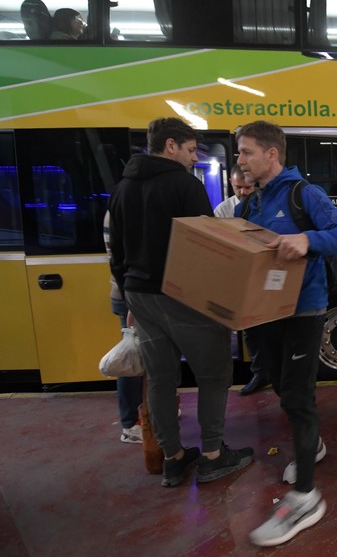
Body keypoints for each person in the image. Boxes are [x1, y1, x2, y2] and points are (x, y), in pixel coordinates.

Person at [108, 117, 254, 488]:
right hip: (181, 294)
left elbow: (117, 253)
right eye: (190, 150)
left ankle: (172, 459)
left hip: (139, 295)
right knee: (214, 372)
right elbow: (208, 248)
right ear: (170, 145)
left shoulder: (121, 188)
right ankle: (212, 456)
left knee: (160, 378)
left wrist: (130, 296)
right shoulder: (184, 185)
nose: (194, 158)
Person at [237, 121, 337, 547]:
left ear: (271, 154)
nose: (240, 160)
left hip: (304, 309)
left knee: (299, 397)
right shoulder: (250, 204)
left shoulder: (304, 194)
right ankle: (314, 446)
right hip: (266, 310)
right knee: (281, 387)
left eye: (246, 151)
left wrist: (307, 240)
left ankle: (306, 497)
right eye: (239, 152)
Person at [213, 165, 269, 395]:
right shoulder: (223, 210)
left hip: (263, 274)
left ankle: (272, 372)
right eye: (238, 188)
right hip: (239, 276)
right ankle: (260, 373)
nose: (243, 192)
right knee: (250, 330)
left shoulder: (264, 206)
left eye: (248, 188)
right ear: (230, 183)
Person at [103, 211, 143, 444]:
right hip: (130, 295)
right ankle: (130, 424)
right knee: (131, 360)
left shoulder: (118, 207)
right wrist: (132, 302)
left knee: (142, 357)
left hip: (129, 293)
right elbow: (123, 261)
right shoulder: (123, 209)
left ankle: (146, 414)